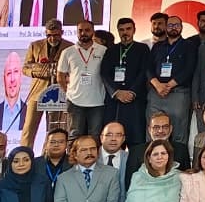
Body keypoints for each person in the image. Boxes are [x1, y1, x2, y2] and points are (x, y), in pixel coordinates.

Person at [147, 16, 197, 150]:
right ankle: (152, 157)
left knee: (178, 131)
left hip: (178, 93)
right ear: (165, 27)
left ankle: (178, 160)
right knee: (153, 130)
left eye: (176, 25)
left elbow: (190, 68)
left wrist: (169, 85)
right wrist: (157, 85)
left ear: (181, 27)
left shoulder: (189, 46)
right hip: (157, 93)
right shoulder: (157, 46)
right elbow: (148, 67)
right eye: (170, 25)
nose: (173, 28)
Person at [102, 17, 151, 149]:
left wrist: (132, 92)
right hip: (115, 102)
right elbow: (104, 74)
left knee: (136, 140)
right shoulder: (111, 50)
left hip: (135, 100)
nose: (125, 32)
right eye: (121, 30)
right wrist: (116, 92)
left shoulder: (142, 49)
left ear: (134, 30)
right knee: (114, 139)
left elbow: (144, 72)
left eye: (128, 29)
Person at [22, 21, 71, 148]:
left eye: (56, 35)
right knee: (28, 128)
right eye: (49, 35)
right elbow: (25, 68)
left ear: (62, 33)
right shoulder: (35, 45)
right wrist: (38, 71)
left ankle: (48, 154)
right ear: (45, 33)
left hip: (59, 94)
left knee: (54, 129)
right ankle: (24, 153)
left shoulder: (70, 47)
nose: (52, 38)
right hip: (37, 93)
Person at [58, 20, 106, 140]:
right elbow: (60, 76)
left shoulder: (103, 50)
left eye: (87, 30)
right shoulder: (67, 52)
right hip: (75, 101)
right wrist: (69, 92)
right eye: (80, 30)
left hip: (97, 101)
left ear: (93, 31)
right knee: (74, 135)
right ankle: (73, 154)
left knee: (95, 136)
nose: (83, 33)